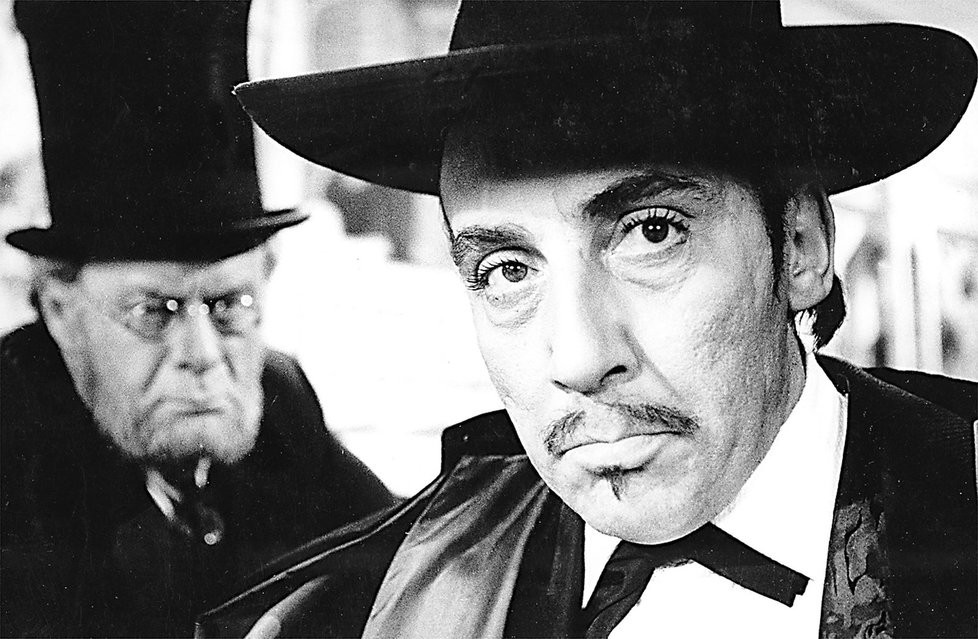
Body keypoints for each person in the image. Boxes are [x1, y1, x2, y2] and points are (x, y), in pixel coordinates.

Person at [198, 2, 977, 638]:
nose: (576, 357)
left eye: (651, 232)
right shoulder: (352, 611)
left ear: (801, 245)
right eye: (508, 270)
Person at [0, 3, 396, 637]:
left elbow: (405, 551)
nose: (203, 354)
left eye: (230, 304)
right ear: (59, 310)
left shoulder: (281, 401)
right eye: (153, 311)